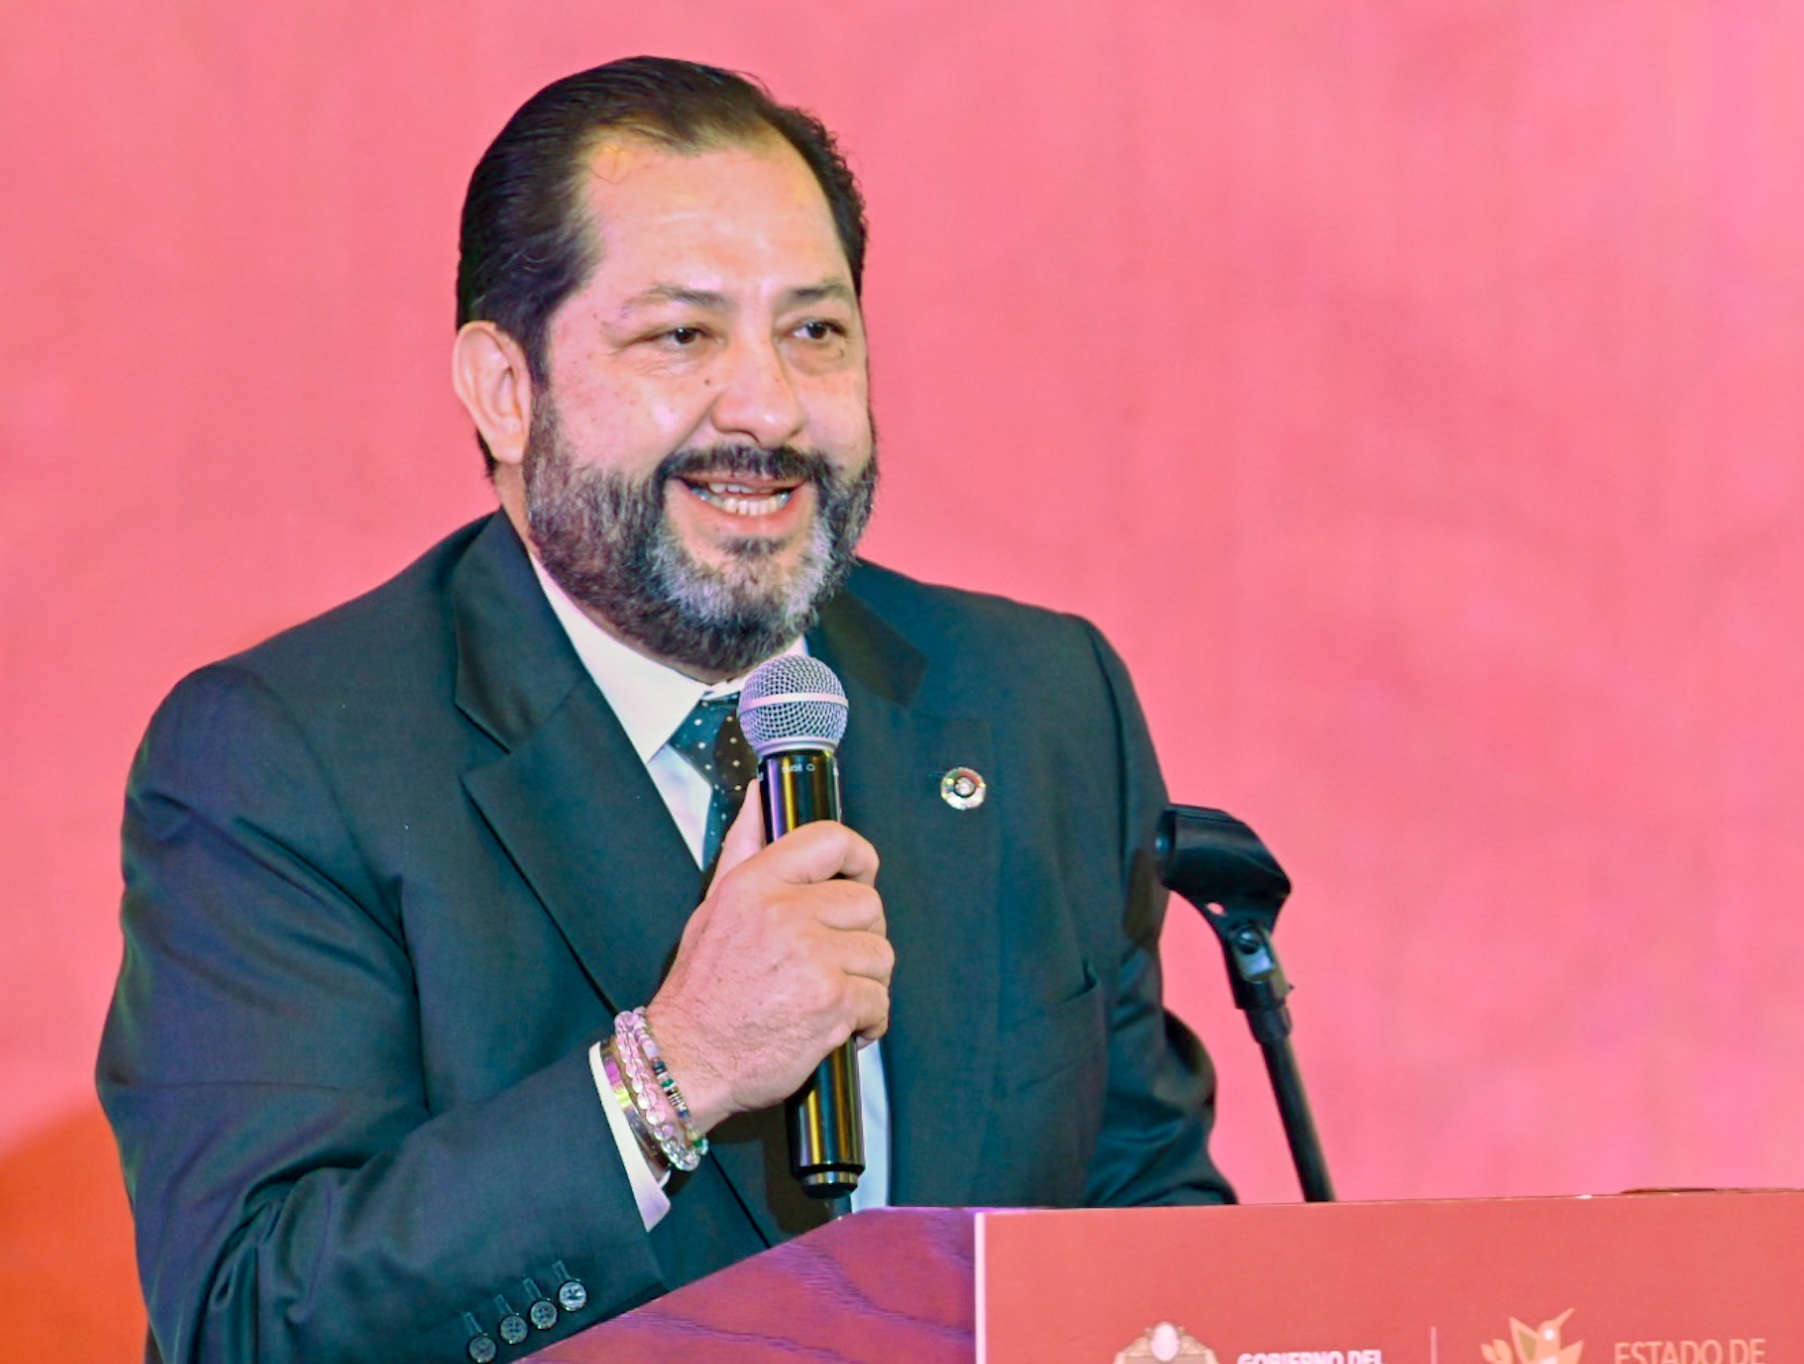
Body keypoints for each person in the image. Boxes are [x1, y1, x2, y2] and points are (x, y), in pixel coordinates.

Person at [98, 55, 1230, 1364]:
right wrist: (672, 1074)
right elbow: (249, 1318)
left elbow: (1145, 1208)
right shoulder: (286, 758)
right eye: (682, 336)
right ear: (506, 390)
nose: (768, 408)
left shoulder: (1035, 702)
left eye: (815, 332)